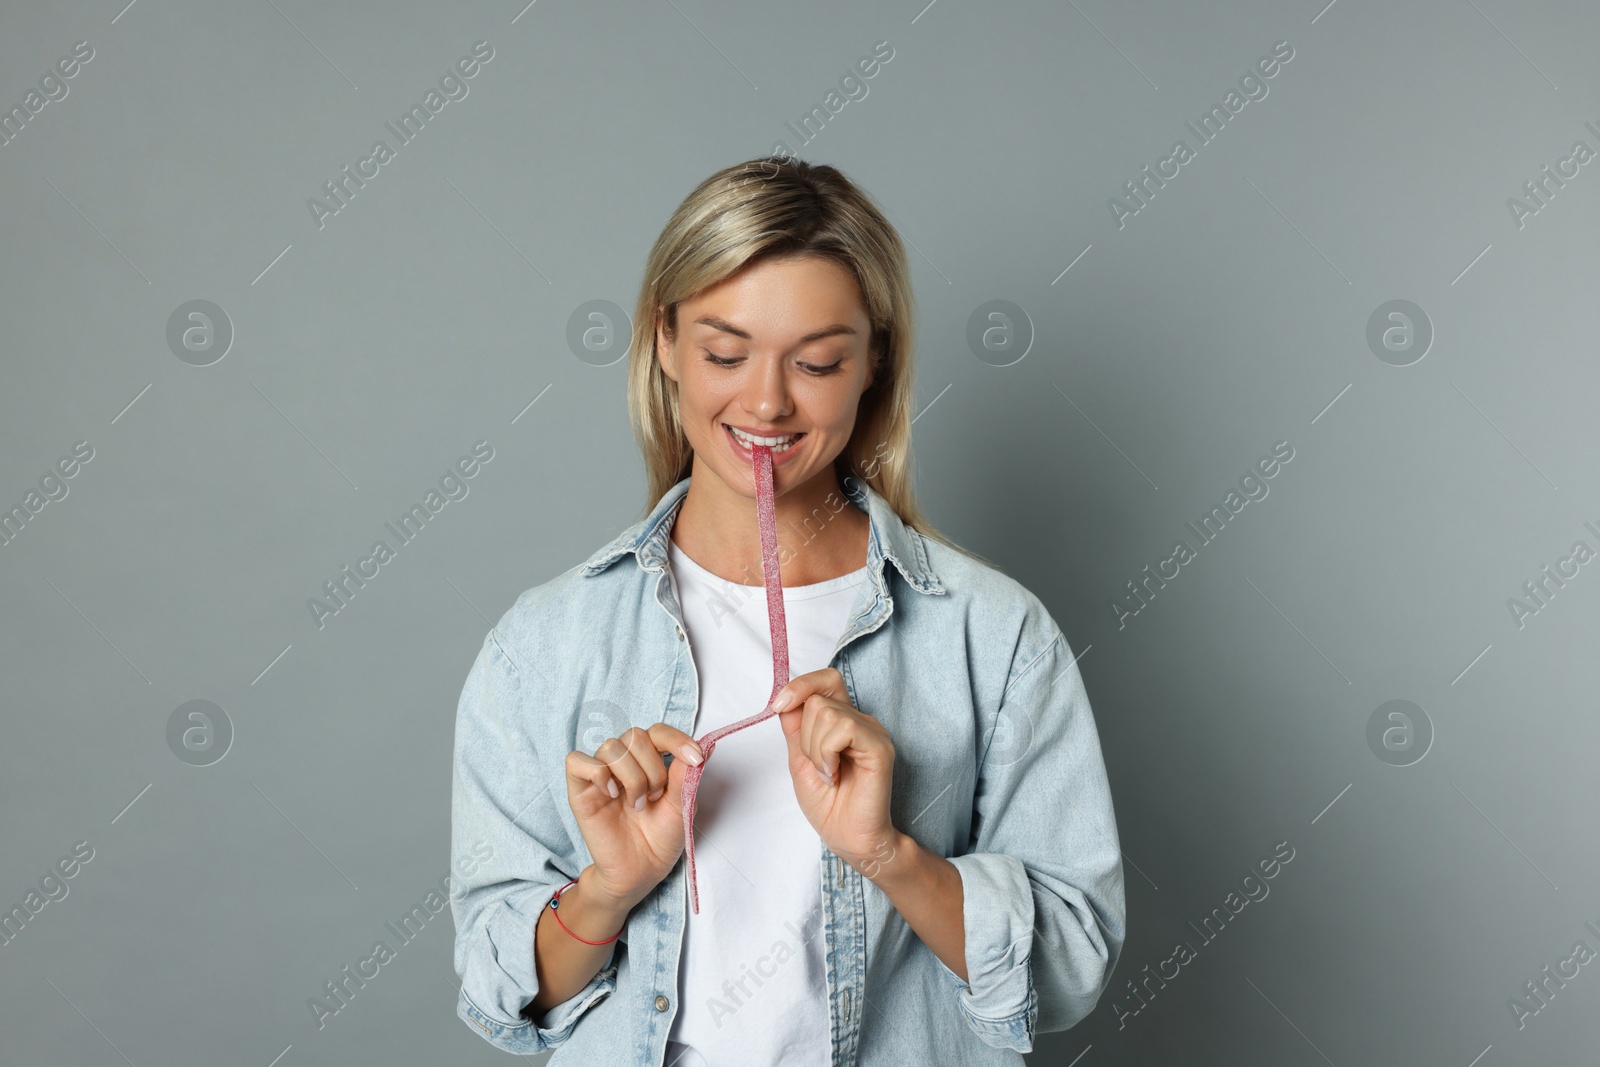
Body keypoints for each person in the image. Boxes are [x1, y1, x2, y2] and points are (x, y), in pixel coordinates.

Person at [449, 156, 1125, 1065]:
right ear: (664, 341)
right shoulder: (545, 643)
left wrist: (890, 853)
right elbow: (502, 997)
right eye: (726, 353)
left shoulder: (994, 636)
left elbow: (1071, 967)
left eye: (817, 362)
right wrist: (607, 889)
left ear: (872, 362)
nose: (767, 401)